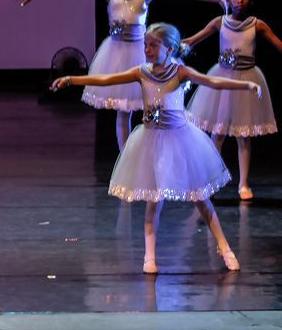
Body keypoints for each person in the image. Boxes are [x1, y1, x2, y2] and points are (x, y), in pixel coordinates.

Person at [52, 23, 251, 273]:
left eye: (152, 45)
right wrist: (72, 79)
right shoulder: (142, 72)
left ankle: (225, 247)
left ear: (169, 49)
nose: (146, 49)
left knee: (200, 197)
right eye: (145, 44)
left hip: (180, 141)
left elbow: (212, 82)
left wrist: (246, 86)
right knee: (153, 200)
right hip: (151, 141)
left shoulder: (180, 72)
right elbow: (106, 79)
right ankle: (149, 256)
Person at [14, 0, 227, 148]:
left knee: (153, 105)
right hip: (116, 53)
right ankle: (125, 158)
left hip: (142, 52)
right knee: (123, 111)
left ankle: (156, 149)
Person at [183, 0, 282, 200]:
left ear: (250, 0)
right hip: (223, 79)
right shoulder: (219, 22)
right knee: (218, 133)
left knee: (243, 136)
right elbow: (193, 40)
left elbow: (281, 47)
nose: (239, 0)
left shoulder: (257, 24)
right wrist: (168, 44)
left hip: (247, 82)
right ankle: (213, 181)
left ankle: (243, 184)